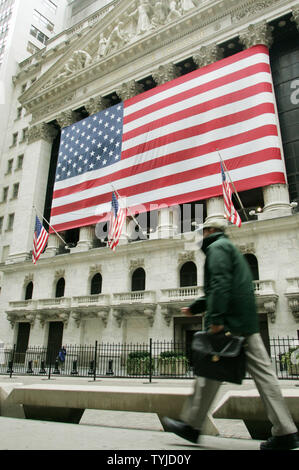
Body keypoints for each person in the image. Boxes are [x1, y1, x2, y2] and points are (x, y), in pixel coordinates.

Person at [161, 219, 299, 450]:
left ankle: (193, 426)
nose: (201, 236)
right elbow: (223, 285)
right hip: (243, 319)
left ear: (210, 231)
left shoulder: (217, 248)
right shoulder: (227, 248)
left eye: (203, 231)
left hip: (232, 322)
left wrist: (215, 320)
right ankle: (194, 425)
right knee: (233, 374)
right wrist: (195, 307)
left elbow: (220, 284)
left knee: (210, 371)